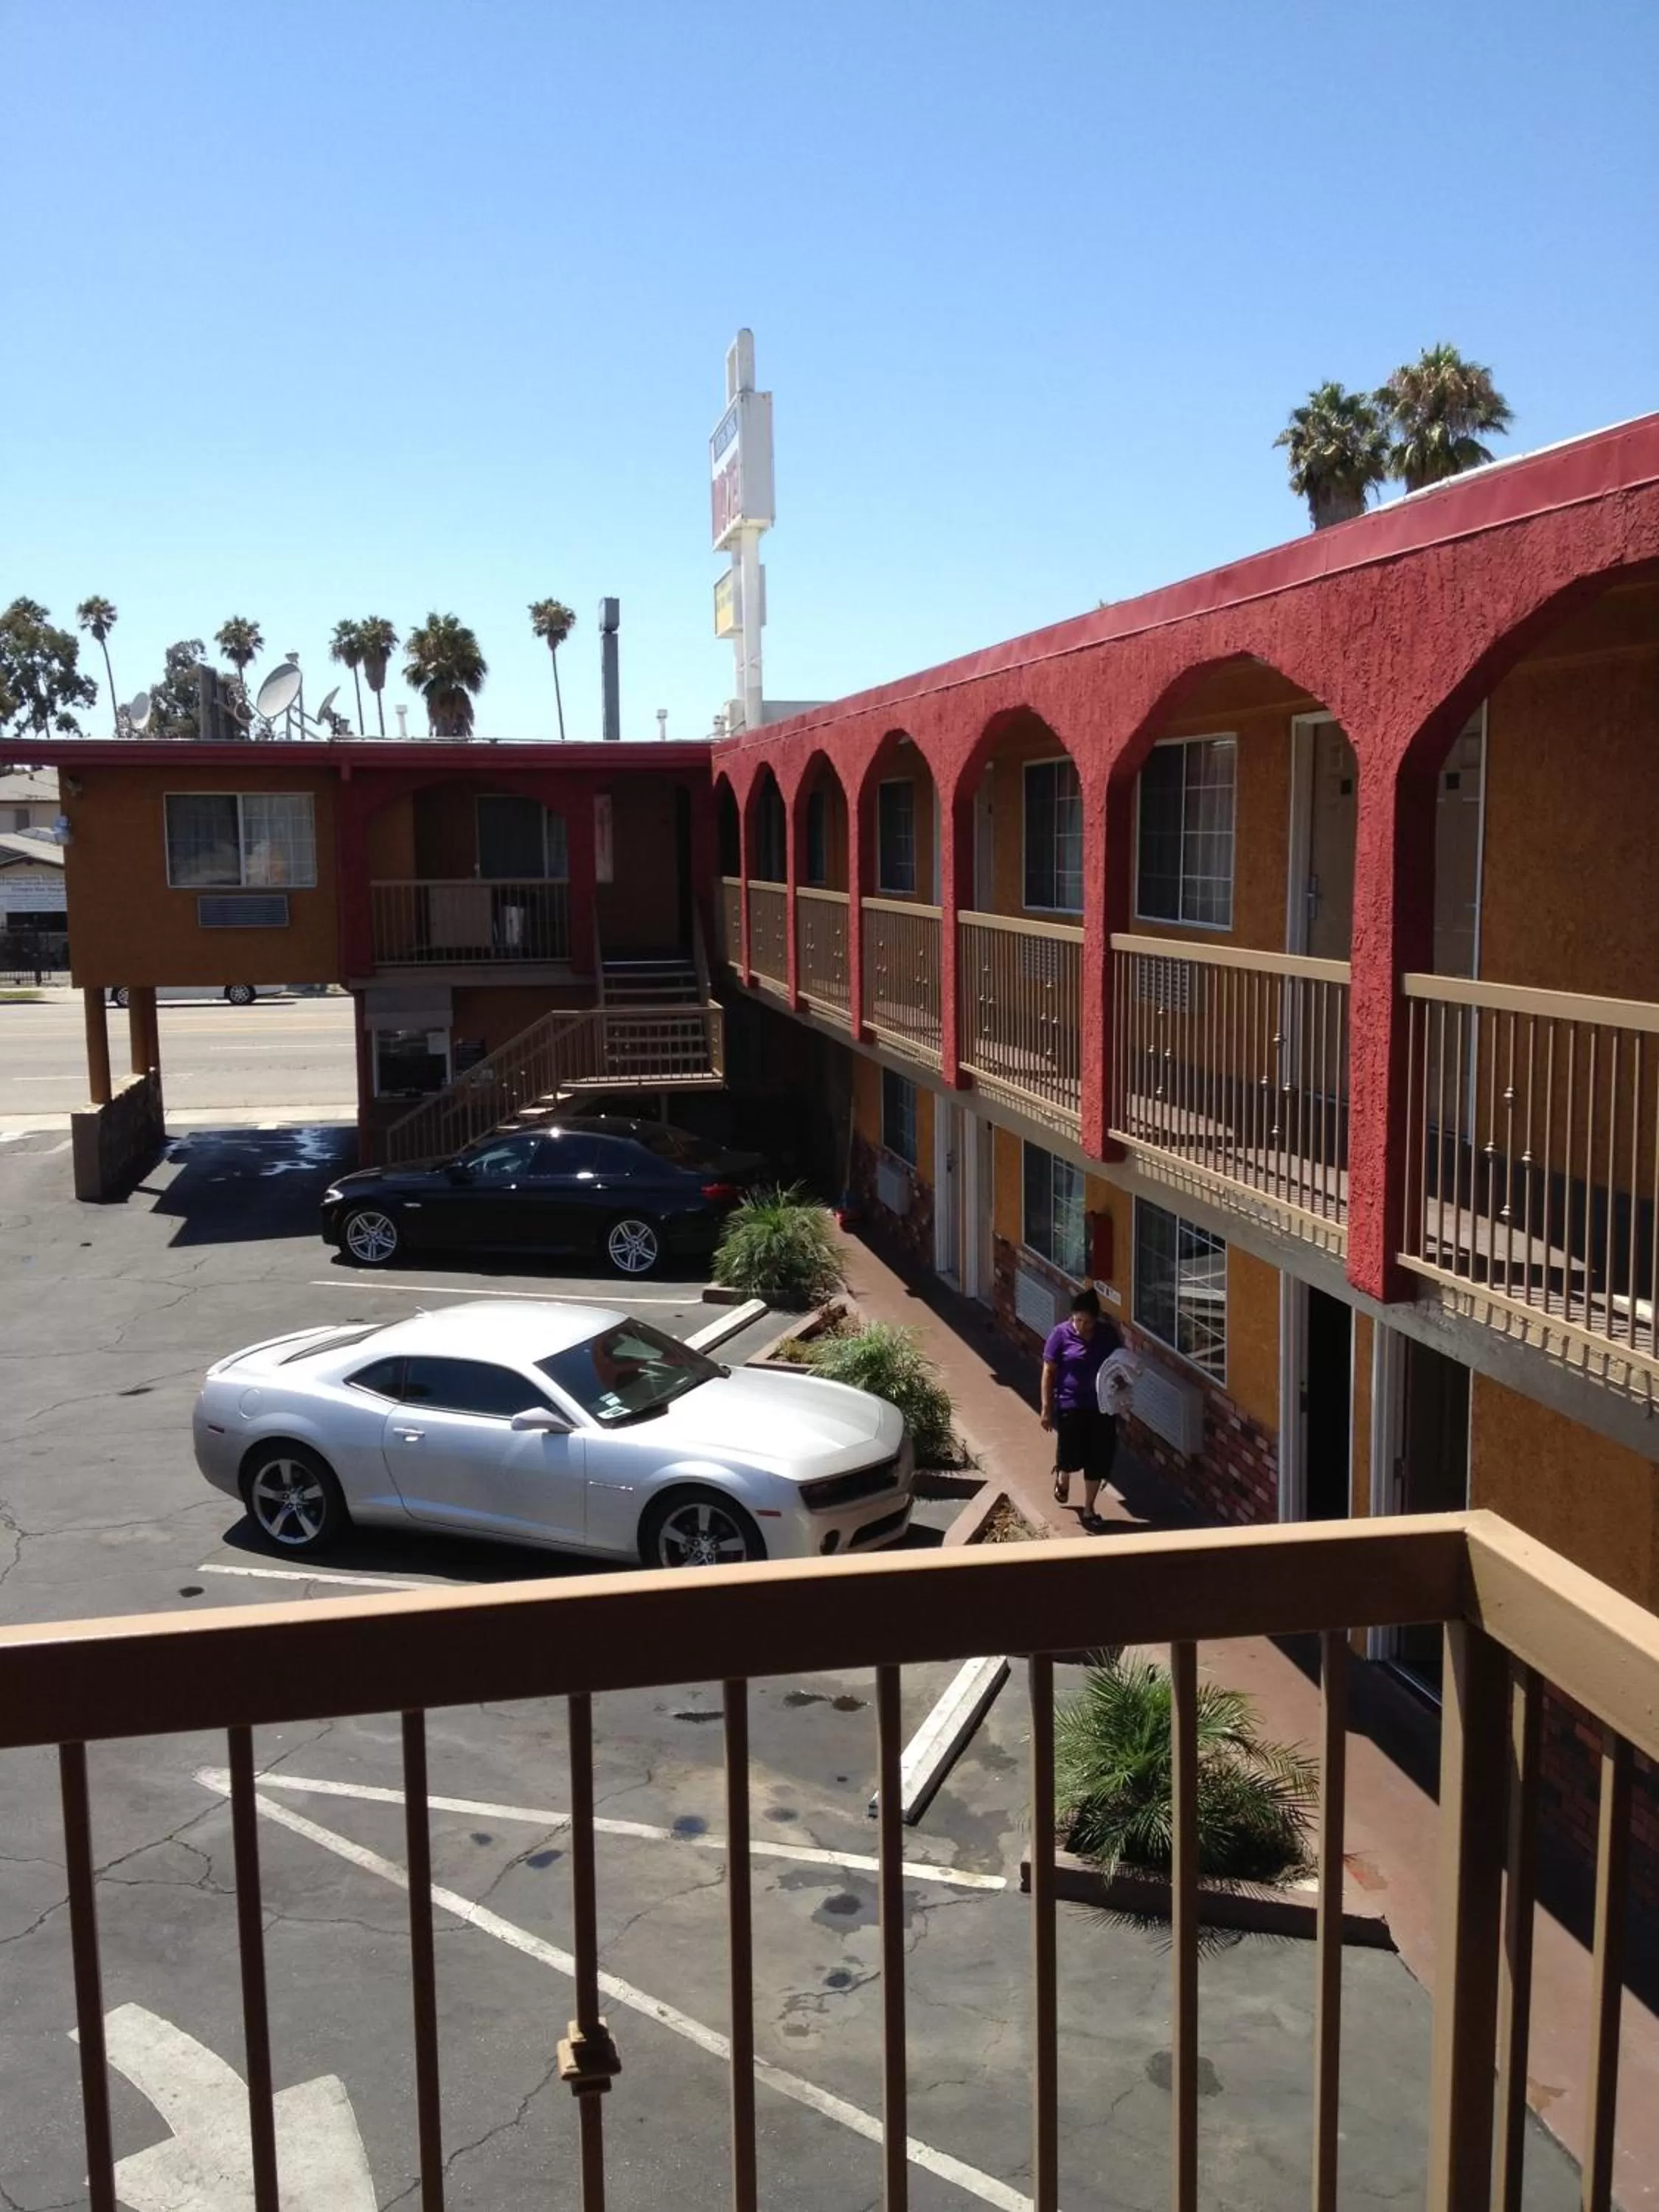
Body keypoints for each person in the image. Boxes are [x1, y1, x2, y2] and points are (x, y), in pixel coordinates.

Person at [1040, 1287, 1122, 1532]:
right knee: (1070, 1452)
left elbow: (1119, 1364)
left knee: (1098, 1456)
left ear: (1096, 1320)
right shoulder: (1060, 1335)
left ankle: (1089, 1508)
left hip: (1102, 1406)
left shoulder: (1107, 1336)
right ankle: (1063, 1476)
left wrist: (1120, 1383)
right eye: (1077, 1320)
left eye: (1086, 1322)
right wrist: (1046, 1408)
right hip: (1070, 1403)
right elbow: (1049, 1371)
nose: (1080, 1326)